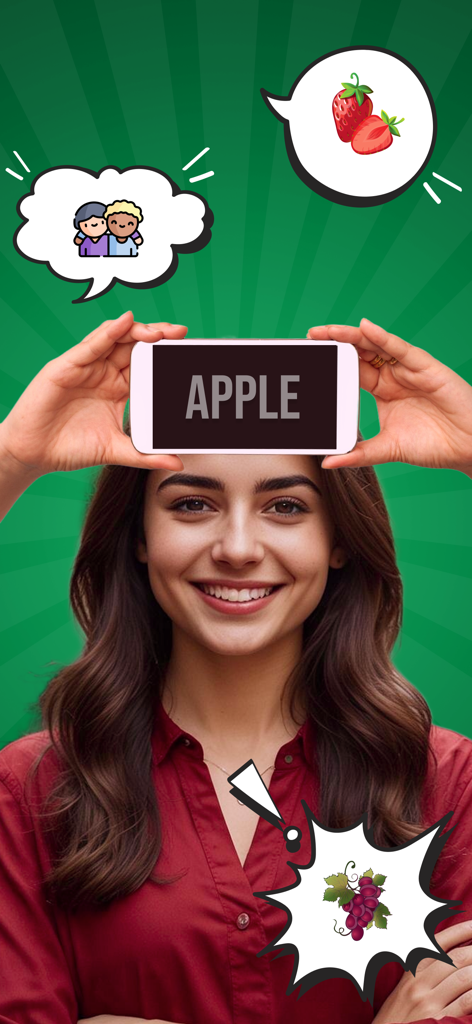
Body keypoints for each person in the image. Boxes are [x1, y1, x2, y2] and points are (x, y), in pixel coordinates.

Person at [0, 312, 472, 1024]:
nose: (239, 548)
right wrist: (12, 456)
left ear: (339, 540)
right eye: (193, 504)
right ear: (139, 535)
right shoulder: (32, 791)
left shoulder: (445, 784)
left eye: (285, 506)